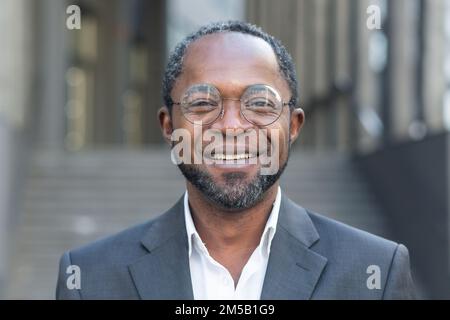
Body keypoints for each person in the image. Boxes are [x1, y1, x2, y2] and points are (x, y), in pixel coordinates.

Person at [56, 21, 416, 299]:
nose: (230, 126)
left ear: (292, 125)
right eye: (202, 104)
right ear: (168, 126)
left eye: (260, 104)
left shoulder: (375, 272)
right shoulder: (89, 278)